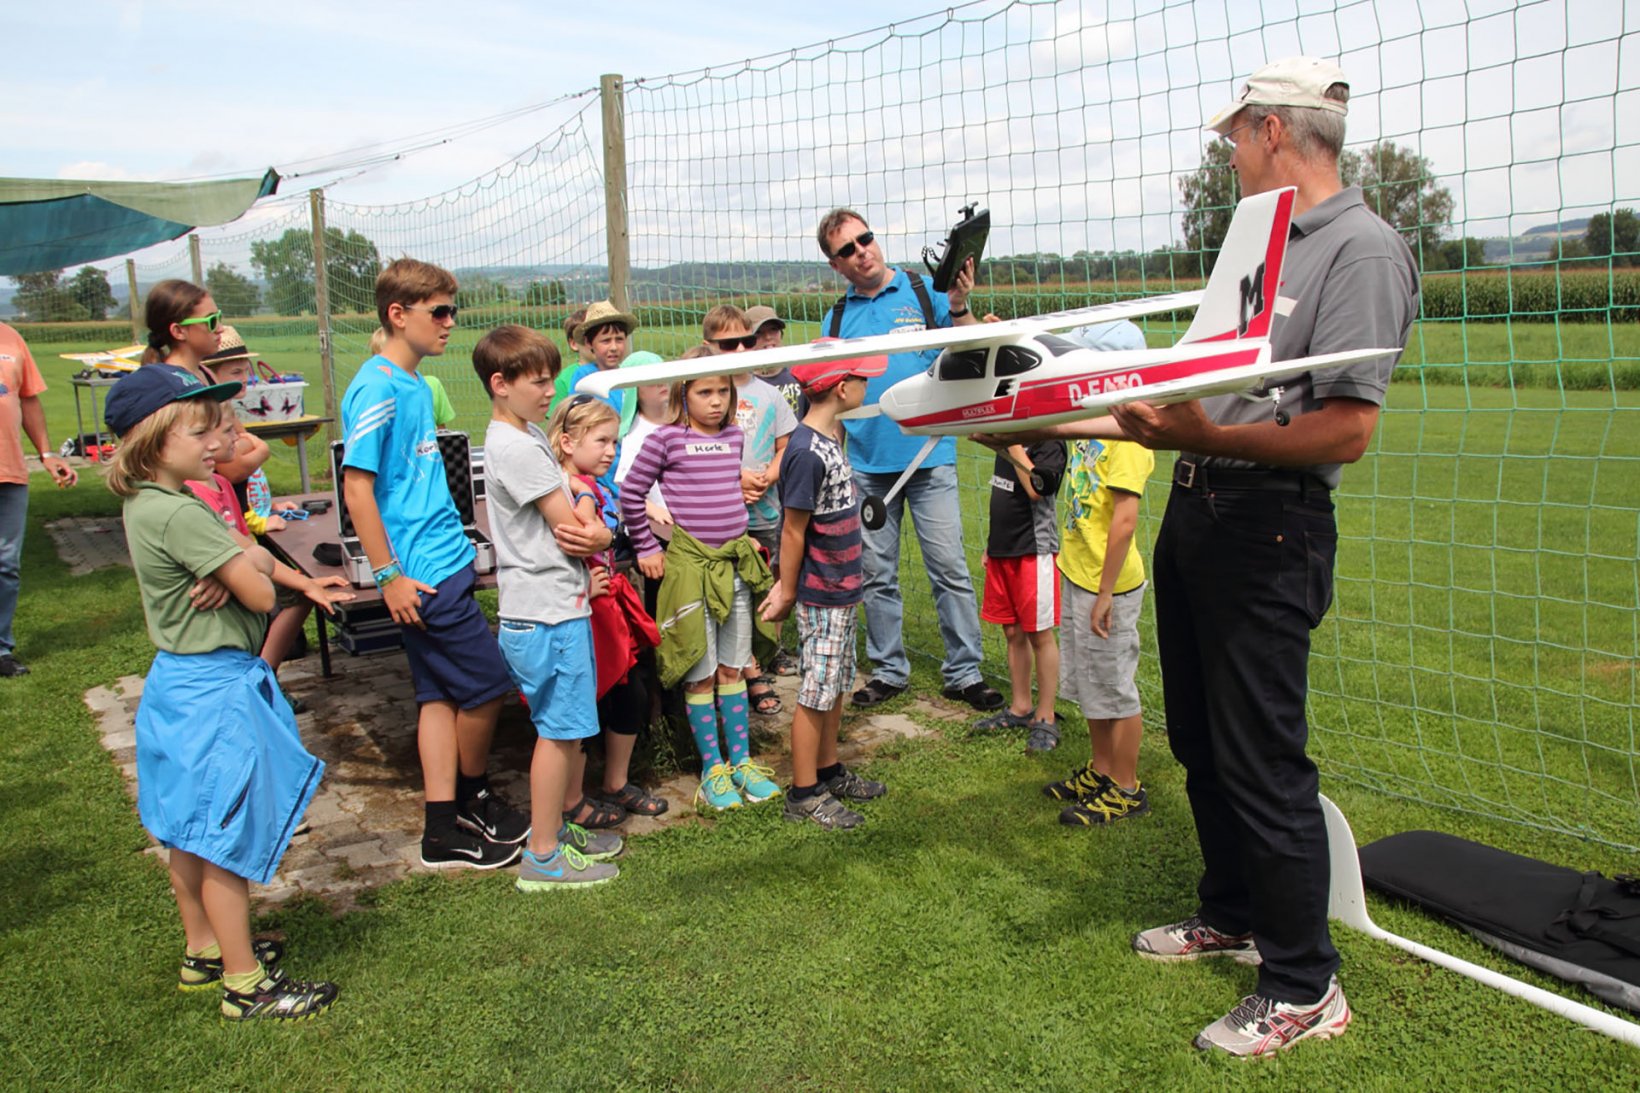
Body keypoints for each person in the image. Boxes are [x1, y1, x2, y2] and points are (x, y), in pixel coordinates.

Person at [1113, 57, 1418, 1056]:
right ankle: (1233, 912)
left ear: (1272, 131)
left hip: (1267, 524)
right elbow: (1208, 387)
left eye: (1234, 137)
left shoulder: (1362, 250)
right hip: (1198, 506)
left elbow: (1346, 428)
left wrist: (1205, 437)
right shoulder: (1259, 241)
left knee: (1260, 755)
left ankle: (1303, 984)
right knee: (1201, 738)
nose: (1230, 155)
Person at [102, 364, 337, 1020]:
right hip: (215, 688)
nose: (217, 442)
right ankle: (245, 983)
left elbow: (242, 554)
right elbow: (262, 593)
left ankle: (203, 948)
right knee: (222, 836)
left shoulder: (151, 502)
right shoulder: (181, 512)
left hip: (178, 682)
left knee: (186, 826)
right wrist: (247, 562)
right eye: (199, 431)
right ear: (153, 440)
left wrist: (237, 558)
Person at [339, 258, 538, 869]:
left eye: (453, 310)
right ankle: (474, 798)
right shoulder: (377, 387)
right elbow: (356, 487)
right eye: (440, 311)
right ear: (398, 315)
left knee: (438, 697)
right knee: (488, 687)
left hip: (444, 560)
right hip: (421, 575)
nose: (450, 322)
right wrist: (387, 576)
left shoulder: (415, 384)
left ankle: (440, 828)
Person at [815, 207, 1002, 712]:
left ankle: (964, 672)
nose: (862, 252)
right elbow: (832, 399)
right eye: (847, 250)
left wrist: (959, 304)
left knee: (949, 568)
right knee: (877, 574)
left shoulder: (924, 292)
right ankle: (888, 670)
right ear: (835, 264)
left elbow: (969, 348)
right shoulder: (836, 320)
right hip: (867, 467)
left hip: (929, 456)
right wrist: (832, 460)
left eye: (865, 239)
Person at [474, 325, 622, 890]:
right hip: (548, 614)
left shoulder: (526, 433)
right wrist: (604, 535)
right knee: (558, 734)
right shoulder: (516, 446)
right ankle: (542, 856)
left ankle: (554, 831)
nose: (548, 392)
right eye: (538, 382)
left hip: (550, 608)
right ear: (500, 384)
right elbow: (575, 532)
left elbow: (572, 500)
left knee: (562, 730)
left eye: (551, 379)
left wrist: (587, 511)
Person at [619, 371, 780, 812]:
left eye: (723, 391)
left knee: (733, 667)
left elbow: (726, 488)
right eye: (704, 392)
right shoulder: (665, 439)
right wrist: (646, 547)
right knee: (701, 672)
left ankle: (741, 762)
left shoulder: (733, 437)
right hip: (690, 571)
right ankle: (713, 769)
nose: (715, 401)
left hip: (734, 568)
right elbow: (630, 493)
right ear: (682, 394)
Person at [760, 354, 890, 829]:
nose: (866, 385)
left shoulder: (829, 438)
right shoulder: (806, 452)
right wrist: (787, 589)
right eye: (861, 378)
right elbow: (793, 530)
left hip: (843, 589)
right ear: (840, 388)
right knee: (816, 691)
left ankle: (828, 769)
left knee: (835, 684)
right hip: (821, 593)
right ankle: (803, 792)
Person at [1033, 321, 1157, 820]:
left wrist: (1105, 593)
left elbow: (1124, 520)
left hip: (1110, 586)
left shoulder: (1130, 436)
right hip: (1079, 573)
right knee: (1091, 684)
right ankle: (1102, 770)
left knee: (1114, 687)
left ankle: (1126, 787)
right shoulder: (1096, 421)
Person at [704, 304, 796, 713]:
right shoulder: (705, 395)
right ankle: (744, 670)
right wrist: (735, 479)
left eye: (747, 340)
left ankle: (768, 650)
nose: (741, 349)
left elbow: (785, 444)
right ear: (708, 345)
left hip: (765, 510)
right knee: (730, 590)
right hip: (722, 516)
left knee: (766, 583)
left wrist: (768, 477)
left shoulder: (770, 394)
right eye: (728, 344)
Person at [971, 436, 1066, 750]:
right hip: (1003, 549)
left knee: (1040, 633)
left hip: (1033, 551)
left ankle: (1046, 715)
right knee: (1012, 632)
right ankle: (1020, 706)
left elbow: (1037, 490)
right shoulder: (1011, 437)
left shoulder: (1049, 443)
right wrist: (992, 544)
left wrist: (1011, 446)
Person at [0, 321, 77, 678]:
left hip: (10, 471)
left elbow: (27, 398)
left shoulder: (10, 338)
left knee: (6, 565)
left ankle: (1, 649)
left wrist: (47, 454)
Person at [547, 307, 591, 415]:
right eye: (589, 338)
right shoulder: (563, 381)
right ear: (574, 343)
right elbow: (557, 420)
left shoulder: (619, 371)